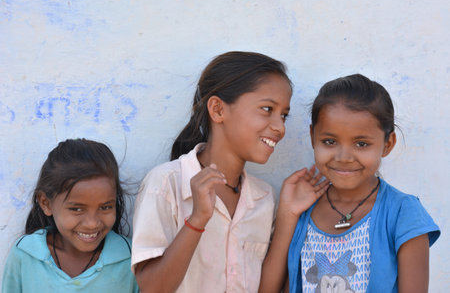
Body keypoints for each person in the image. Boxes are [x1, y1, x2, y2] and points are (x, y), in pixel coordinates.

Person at [131, 51, 328, 293]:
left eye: (284, 116)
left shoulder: (263, 196)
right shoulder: (165, 184)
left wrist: (287, 213)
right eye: (267, 109)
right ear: (218, 110)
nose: (279, 127)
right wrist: (197, 219)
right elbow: (152, 287)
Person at [285, 74, 440, 292]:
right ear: (312, 137)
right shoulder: (303, 209)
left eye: (361, 143)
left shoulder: (403, 213)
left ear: (388, 144)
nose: (344, 157)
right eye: (329, 141)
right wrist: (287, 215)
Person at [2, 139, 139, 293]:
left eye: (105, 207)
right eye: (77, 209)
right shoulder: (26, 254)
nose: (92, 223)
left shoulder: (129, 258)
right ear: (46, 203)